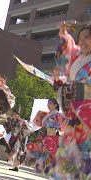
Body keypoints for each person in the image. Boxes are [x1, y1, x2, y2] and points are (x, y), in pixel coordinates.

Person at [51, 23, 91, 179]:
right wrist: (64, 34)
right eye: (80, 38)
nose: (82, 41)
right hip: (75, 111)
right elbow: (66, 54)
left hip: (88, 114)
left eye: (87, 37)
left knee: (85, 153)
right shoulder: (79, 57)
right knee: (69, 152)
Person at [25, 98, 66, 175]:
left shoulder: (58, 115)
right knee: (30, 149)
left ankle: (46, 166)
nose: (48, 105)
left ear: (55, 105)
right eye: (48, 103)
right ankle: (46, 166)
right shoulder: (45, 114)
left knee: (47, 154)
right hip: (43, 136)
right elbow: (37, 125)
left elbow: (64, 126)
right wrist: (30, 130)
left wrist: (59, 130)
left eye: (50, 103)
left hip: (52, 137)